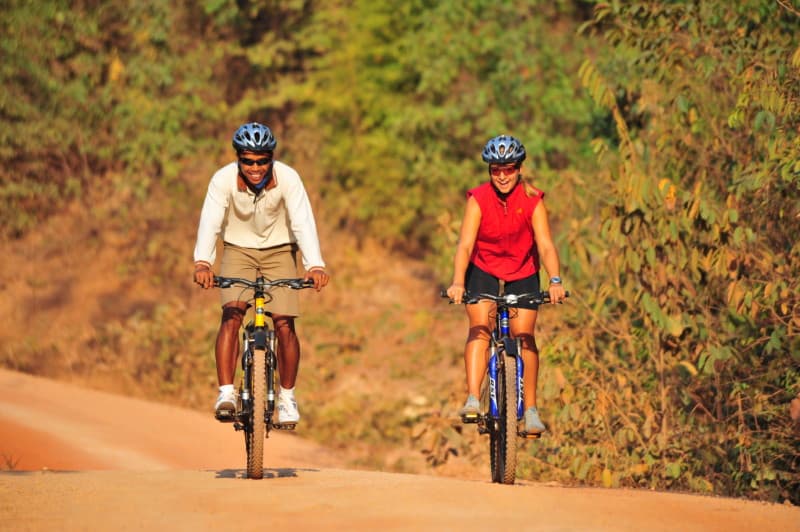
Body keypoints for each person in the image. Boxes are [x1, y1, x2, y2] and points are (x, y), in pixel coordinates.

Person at [193, 122, 329, 424]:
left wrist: (314, 264)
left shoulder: (289, 178)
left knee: (284, 323)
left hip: (280, 249)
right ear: (238, 159)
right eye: (248, 161)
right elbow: (211, 221)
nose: (255, 168)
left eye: (262, 160)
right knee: (231, 314)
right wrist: (203, 261)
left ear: (271, 158)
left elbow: (302, 222)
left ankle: (287, 398)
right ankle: (226, 393)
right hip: (237, 249)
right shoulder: (222, 180)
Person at [446, 134, 566, 435]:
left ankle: (531, 411)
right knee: (480, 329)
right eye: (495, 169)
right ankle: (474, 398)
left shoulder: (533, 200)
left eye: (508, 169)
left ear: (519, 168)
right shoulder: (478, 199)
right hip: (483, 268)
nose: (502, 176)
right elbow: (464, 245)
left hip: (522, 269)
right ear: (489, 171)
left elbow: (547, 246)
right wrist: (458, 282)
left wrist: (554, 280)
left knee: (524, 335)